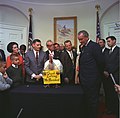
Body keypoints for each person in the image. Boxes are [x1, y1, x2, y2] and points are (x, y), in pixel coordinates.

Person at [78, 30, 104, 118]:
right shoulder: (83, 47)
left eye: (81, 39)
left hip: (93, 79)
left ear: (86, 37)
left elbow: (100, 62)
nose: (80, 41)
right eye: (79, 39)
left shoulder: (94, 46)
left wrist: (96, 76)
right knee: (86, 99)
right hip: (84, 79)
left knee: (93, 100)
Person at [104, 36, 119, 117]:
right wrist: (105, 71)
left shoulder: (118, 51)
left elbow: (117, 63)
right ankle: (110, 108)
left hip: (115, 76)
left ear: (114, 41)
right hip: (107, 76)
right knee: (109, 93)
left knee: (115, 94)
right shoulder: (107, 51)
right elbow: (105, 62)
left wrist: (109, 71)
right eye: (107, 42)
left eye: (109, 41)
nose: (108, 43)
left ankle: (116, 110)